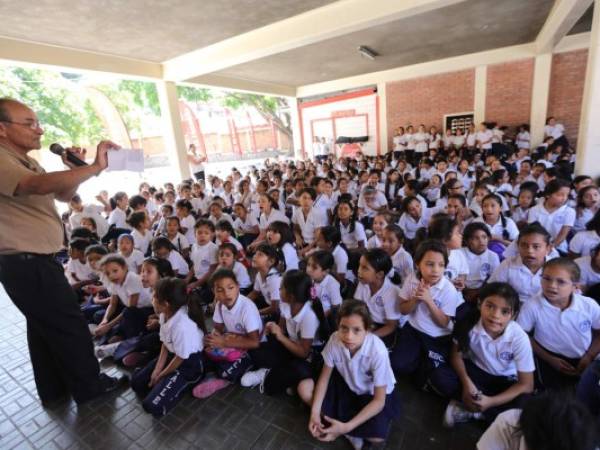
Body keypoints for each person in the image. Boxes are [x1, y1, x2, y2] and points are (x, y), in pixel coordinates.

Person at [0, 98, 126, 405]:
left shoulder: (24, 160)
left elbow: (62, 193)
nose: (39, 130)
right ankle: (90, 386)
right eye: (28, 123)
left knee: (44, 327)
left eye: (37, 122)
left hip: (32, 261)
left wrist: (76, 171)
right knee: (69, 324)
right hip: (26, 262)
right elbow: (35, 186)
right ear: (2, 129)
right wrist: (95, 166)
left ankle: (54, 389)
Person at [307, 300, 400, 449]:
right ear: (338, 326)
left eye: (357, 330)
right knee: (307, 393)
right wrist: (314, 414)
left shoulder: (378, 351)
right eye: (344, 328)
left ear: (368, 330)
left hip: (370, 395)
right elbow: (324, 379)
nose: (349, 336)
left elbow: (379, 401)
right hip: (348, 385)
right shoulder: (335, 339)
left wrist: (347, 427)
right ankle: (346, 430)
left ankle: (343, 430)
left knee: (377, 437)